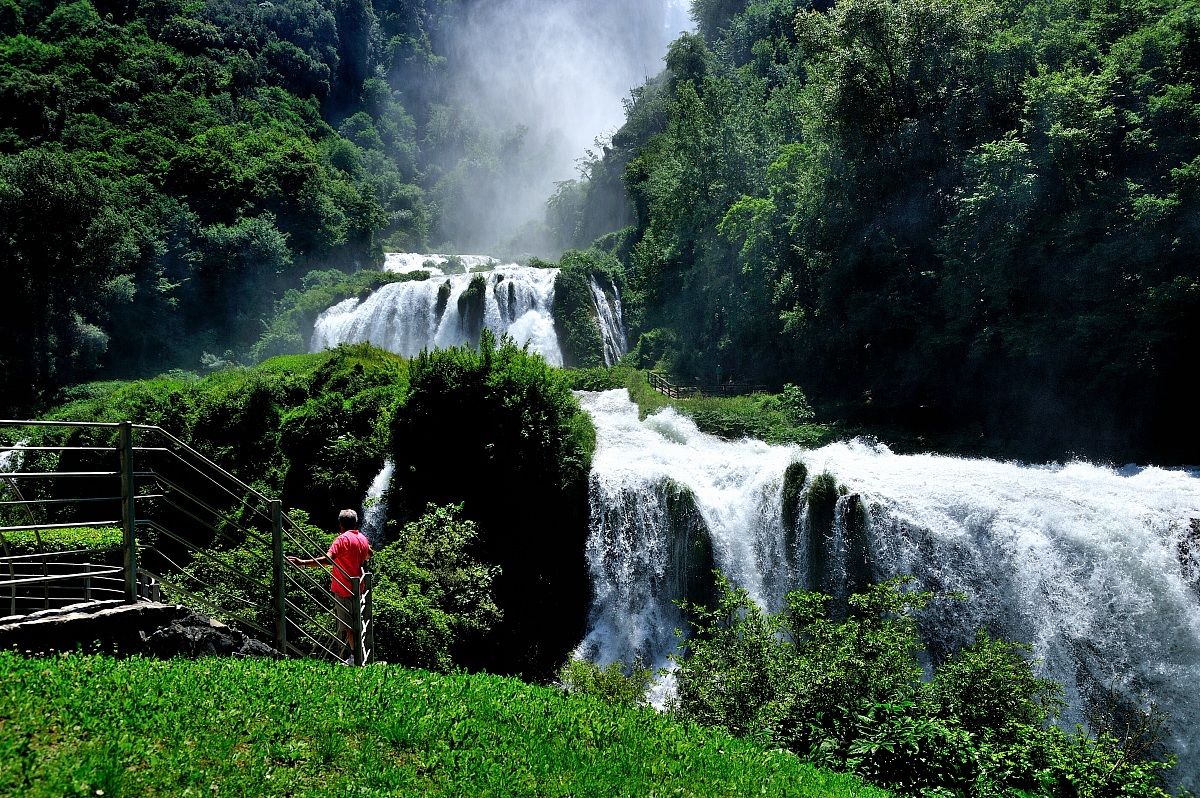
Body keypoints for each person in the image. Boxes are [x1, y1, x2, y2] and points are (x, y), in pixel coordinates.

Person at [287, 508, 372, 664]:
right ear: (355, 523)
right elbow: (369, 554)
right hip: (357, 587)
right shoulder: (362, 539)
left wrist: (303, 563)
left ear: (340, 525)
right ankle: (357, 656)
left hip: (344, 588)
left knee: (348, 626)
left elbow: (329, 559)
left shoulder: (341, 540)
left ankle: (355, 658)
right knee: (355, 623)